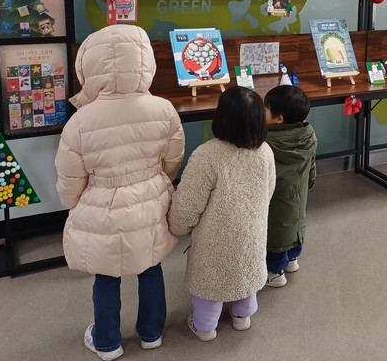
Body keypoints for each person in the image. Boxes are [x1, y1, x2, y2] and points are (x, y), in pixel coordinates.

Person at [55, 25, 184, 361]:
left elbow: (70, 175)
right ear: (144, 61)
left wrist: (73, 204)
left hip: (102, 207)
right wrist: (156, 183)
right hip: (149, 202)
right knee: (150, 266)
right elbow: (173, 160)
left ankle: (108, 342)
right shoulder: (164, 109)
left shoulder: (81, 121)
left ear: (91, 65)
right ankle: (151, 334)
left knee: (107, 275)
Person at [168, 86, 276, 342]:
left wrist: (177, 225)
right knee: (245, 271)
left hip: (215, 238)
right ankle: (242, 316)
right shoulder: (265, 152)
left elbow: (188, 202)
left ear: (222, 117)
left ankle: (205, 326)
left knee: (211, 281)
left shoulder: (207, 155)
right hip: (252, 233)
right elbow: (269, 191)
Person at [263, 85, 318, 288]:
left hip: (275, 196)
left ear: (279, 119)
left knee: (275, 232)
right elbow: (312, 163)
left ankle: (275, 272)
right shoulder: (308, 134)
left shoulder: (266, 141)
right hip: (299, 190)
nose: (261, 110)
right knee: (295, 223)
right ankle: (292, 259)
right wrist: (309, 180)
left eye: (265, 107)